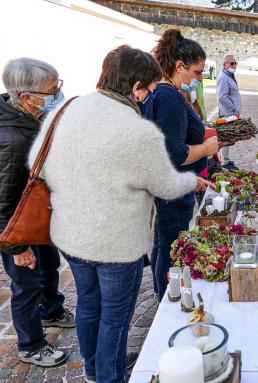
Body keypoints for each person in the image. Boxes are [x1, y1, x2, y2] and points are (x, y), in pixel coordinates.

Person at [27, 45, 211, 383]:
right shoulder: (136, 129)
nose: (152, 93)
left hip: (71, 233)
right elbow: (166, 185)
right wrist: (193, 183)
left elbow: (37, 163)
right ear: (135, 87)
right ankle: (107, 376)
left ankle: (94, 368)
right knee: (114, 315)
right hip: (115, 241)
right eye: (150, 87)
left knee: (88, 303)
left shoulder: (67, 109)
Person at [0, 58, 74, 368]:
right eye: (51, 90)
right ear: (27, 97)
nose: (57, 93)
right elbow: (3, 201)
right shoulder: (13, 139)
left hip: (38, 213)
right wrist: (18, 248)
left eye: (58, 86)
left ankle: (51, 309)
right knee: (26, 283)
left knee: (49, 265)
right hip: (16, 226)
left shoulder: (29, 117)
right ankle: (30, 345)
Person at [142, 29, 219, 301]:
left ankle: (161, 290)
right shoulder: (170, 97)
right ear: (179, 67)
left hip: (166, 186)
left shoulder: (160, 93)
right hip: (175, 187)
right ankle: (169, 298)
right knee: (172, 246)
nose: (199, 79)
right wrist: (208, 147)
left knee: (163, 243)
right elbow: (174, 153)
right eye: (197, 73)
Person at [216, 54, 241, 170]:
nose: (234, 65)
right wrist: (233, 108)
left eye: (235, 63)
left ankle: (224, 158)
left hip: (231, 112)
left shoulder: (229, 75)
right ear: (225, 64)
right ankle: (223, 162)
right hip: (228, 113)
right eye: (232, 63)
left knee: (228, 137)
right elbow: (222, 97)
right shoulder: (223, 77)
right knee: (226, 137)